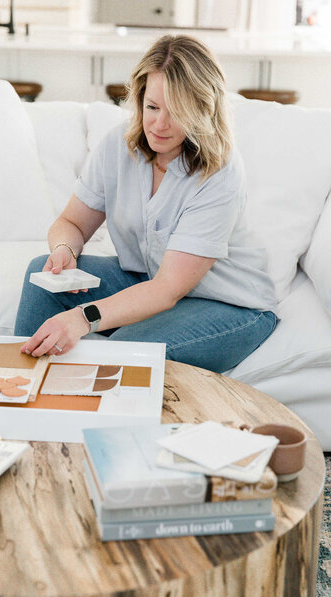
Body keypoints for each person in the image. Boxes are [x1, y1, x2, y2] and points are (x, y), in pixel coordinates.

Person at [14, 34, 278, 372]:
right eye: (152, 107)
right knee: (39, 273)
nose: (159, 124)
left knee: (124, 353)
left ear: (201, 110)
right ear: (139, 99)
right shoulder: (117, 146)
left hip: (228, 306)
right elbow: (73, 224)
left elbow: (167, 290)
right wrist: (64, 249)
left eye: (177, 112)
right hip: (149, 281)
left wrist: (83, 318)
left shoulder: (219, 170)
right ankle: (17, 392)